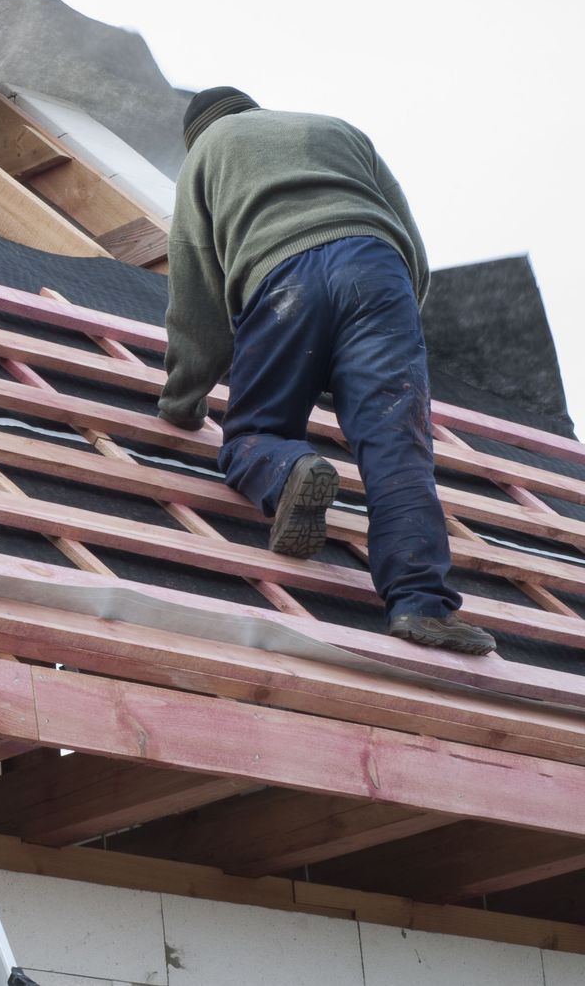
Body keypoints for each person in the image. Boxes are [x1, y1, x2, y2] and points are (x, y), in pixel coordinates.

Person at [158, 86, 494, 655]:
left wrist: (182, 401)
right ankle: (420, 605)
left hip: (283, 279)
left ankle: (290, 472)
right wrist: (370, 356)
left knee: (253, 435)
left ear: (197, 131)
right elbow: (409, 239)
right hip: (379, 271)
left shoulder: (205, 155)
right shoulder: (334, 127)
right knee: (397, 445)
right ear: (254, 108)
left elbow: (196, 294)